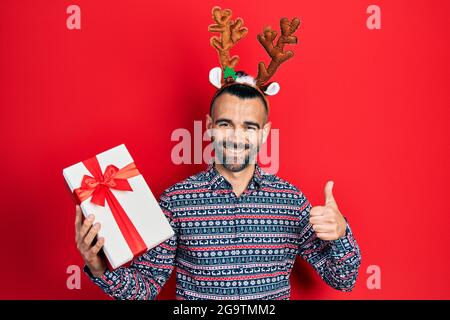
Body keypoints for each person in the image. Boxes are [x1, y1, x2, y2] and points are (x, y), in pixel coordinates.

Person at [75, 7, 361, 300]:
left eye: (249, 127)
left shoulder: (291, 202)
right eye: (226, 124)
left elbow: (343, 279)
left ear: (263, 133)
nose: (237, 137)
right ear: (210, 126)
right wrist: (98, 266)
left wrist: (341, 235)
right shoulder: (176, 202)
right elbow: (144, 288)